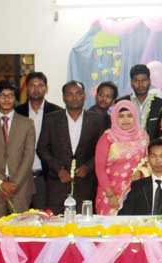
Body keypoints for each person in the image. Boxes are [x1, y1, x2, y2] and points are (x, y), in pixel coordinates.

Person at [37, 81, 109, 214]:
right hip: (57, 184)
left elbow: (102, 151)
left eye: (78, 93)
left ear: (84, 96)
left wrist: (88, 167)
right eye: (70, 94)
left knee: (85, 227)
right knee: (56, 225)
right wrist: (58, 169)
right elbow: (42, 148)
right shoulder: (51, 119)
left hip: (86, 184)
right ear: (64, 97)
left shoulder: (97, 120)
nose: (74, 97)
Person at [0, 80, 36, 219]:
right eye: (3, 95)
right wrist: (1, 182)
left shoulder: (27, 123)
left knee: (21, 233)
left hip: (20, 188)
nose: (7, 99)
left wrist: (14, 183)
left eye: (10, 95)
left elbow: (28, 156)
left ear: (15, 99)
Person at [15, 72, 64, 210]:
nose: (36, 89)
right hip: (20, 176)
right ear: (27, 88)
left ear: (46, 89)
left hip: (45, 176)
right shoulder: (17, 112)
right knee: (19, 221)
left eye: (40, 85)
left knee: (43, 218)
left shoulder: (57, 112)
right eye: (32, 85)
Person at [93, 100, 149, 215]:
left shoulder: (143, 137)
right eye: (121, 116)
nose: (126, 120)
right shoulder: (108, 137)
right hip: (110, 192)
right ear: (114, 118)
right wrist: (110, 194)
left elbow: (147, 162)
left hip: (136, 191)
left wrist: (141, 172)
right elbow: (99, 168)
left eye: (129, 116)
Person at [115, 64, 162, 139]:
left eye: (144, 80)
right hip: (127, 148)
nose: (140, 84)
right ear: (131, 83)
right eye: (136, 81)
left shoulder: (161, 104)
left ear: (149, 81)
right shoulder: (121, 103)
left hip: (153, 149)